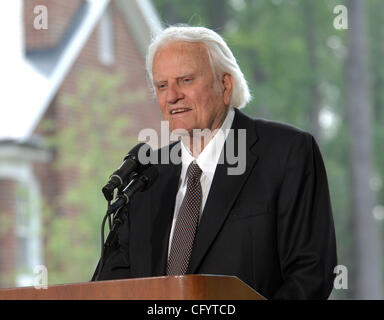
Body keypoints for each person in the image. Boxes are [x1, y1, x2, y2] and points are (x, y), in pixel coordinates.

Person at [95, 26, 337, 300]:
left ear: (225, 84)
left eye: (185, 80)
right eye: (162, 85)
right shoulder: (146, 177)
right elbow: (112, 286)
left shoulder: (286, 153)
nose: (171, 95)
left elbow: (310, 274)